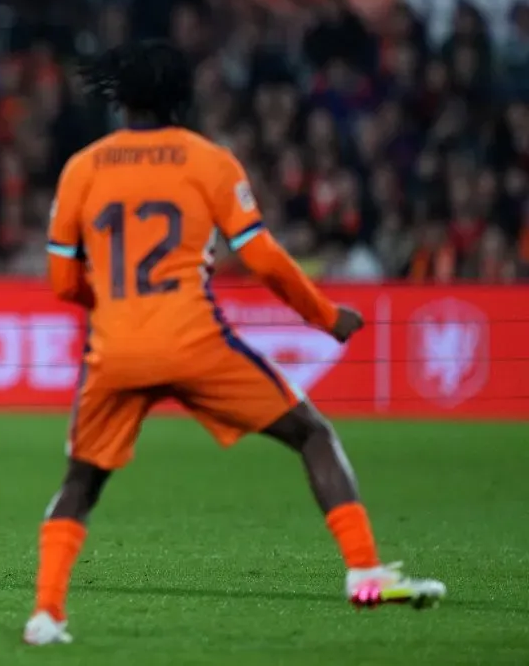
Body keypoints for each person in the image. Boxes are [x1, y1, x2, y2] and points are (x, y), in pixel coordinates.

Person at [23, 40, 444, 645]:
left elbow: (63, 283)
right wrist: (325, 316)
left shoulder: (83, 167)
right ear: (180, 96)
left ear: (122, 99)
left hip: (116, 350)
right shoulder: (209, 161)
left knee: (81, 480)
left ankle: (46, 614)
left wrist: (118, 306)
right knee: (311, 434)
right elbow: (264, 260)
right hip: (197, 342)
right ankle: (365, 573)